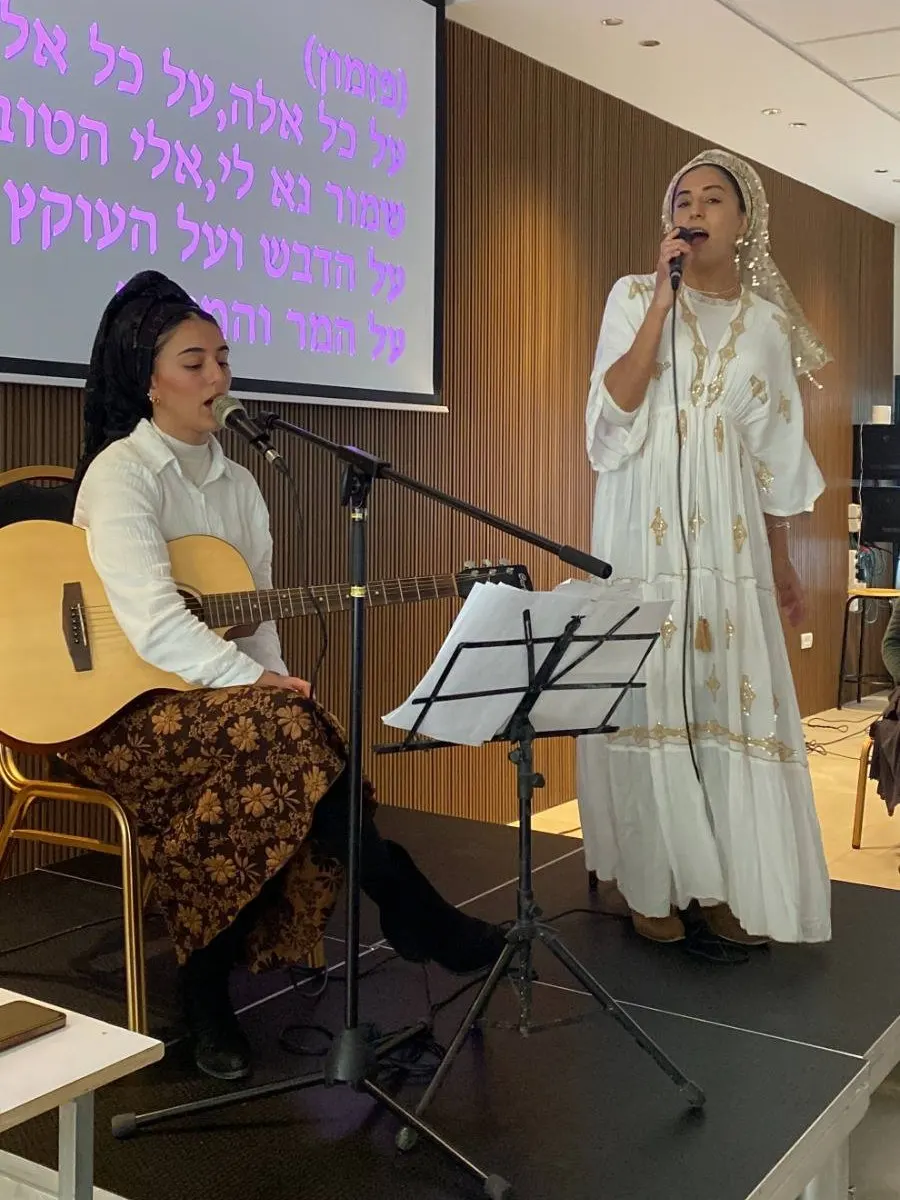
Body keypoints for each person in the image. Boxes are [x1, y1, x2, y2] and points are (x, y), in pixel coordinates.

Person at [61, 271, 505, 1081]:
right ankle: (400, 900)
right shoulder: (123, 474)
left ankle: (208, 987)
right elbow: (155, 621)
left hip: (215, 700)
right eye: (194, 362)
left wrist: (276, 686)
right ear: (148, 381)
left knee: (284, 738)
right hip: (120, 708)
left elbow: (257, 614)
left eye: (223, 359)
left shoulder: (240, 484)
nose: (218, 375)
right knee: (279, 740)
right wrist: (260, 694)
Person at [575, 149, 833, 948]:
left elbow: (776, 454)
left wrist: (782, 561)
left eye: (712, 198)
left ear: (744, 221)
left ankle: (724, 885)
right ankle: (652, 880)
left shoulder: (768, 327)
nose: (693, 209)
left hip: (730, 541)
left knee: (724, 698)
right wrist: (661, 302)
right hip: (641, 530)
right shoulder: (631, 296)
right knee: (651, 694)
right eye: (681, 198)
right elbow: (612, 412)